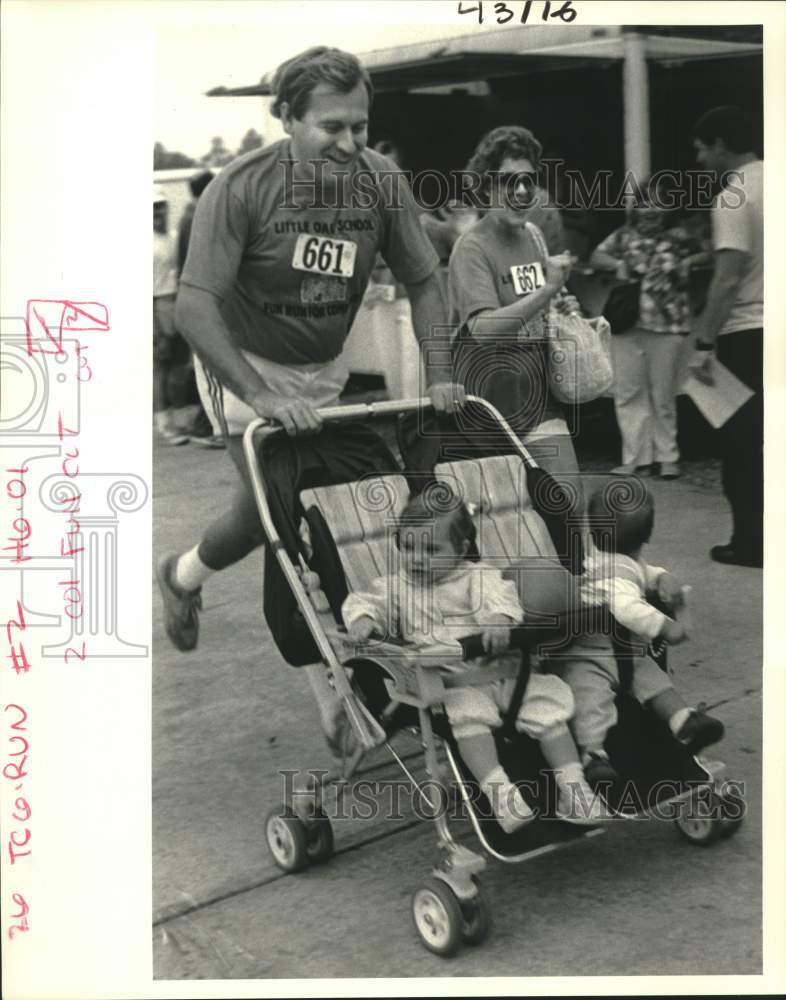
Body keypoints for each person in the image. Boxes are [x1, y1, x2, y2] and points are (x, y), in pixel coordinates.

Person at [158, 46, 464, 746]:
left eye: (359, 125)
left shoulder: (380, 181)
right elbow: (194, 308)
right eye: (332, 127)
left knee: (327, 508)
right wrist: (260, 394)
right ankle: (335, 694)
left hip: (321, 368)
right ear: (288, 118)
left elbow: (425, 279)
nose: (350, 143)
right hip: (243, 362)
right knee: (290, 514)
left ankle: (181, 575)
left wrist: (441, 371)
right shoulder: (239, 188)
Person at [342, 488, 607, 827]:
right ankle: (502, 797)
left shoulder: (477, 576)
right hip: (451, 682)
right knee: (469, 720)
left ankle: (575, 790)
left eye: (430, 549)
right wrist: (363, 620)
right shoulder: (396, 587)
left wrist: (499, 620)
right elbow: (364, 601)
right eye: (407, 547)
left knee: (549, 713)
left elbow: (503, 597)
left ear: (461, 550)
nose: (416, 559)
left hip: (506, 672)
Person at [556, 483, 725, 786]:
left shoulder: (614, 560)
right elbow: (626, 607)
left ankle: (683, 719)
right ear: (647, 536)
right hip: (590, 653)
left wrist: (662, 576)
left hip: (624, 650)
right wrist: (665, 625)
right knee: (592, 700)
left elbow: (642, 573)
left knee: (655, 681)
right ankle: (593, 754)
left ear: (593, 534)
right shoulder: (613, 575)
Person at [447, 126, 582, 486]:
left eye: (529, 180)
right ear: (486, 186)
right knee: (506, 521)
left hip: (535, 397)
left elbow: (540, 304)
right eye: (508, 181)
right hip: (485, 407)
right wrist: (546, 292)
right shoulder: (471, 247)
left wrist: (560, 304)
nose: (521, 191)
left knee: (568, 499)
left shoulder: (534, 236)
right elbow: (482, 328)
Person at [590, 176, 709, 479]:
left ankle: (668, 456)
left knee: (663, 395)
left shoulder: (680, 236)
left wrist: (689, 261)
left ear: (669, 207)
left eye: (659, 202)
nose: (650, 209)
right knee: (629, 393)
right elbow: (596, 255)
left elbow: (710, 253)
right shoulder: (624, 236)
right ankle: (636, 459)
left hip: (667, 326)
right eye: (645, 202)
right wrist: (617, 265)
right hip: (627, 324)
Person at [689, 106, 763, 567]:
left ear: (719, 144)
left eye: (700, 149)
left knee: (741, 442)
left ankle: (751, 542)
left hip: (749, 331)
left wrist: (702, 342)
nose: (698, 160)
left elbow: (729, 277)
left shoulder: (735, 196)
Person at [176, 169, 225, 449]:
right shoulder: (198, 216)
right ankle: (205, 425)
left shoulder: (187, 216)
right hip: (206, 297)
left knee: (209, 363)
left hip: (198, 294)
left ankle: (205, 424)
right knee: (212, 363)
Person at [153, 188, 189, 446]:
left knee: (178, 364)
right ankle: (164, 424)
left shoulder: (172, 236)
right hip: (156, 304)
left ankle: (176, 419)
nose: (158, 212)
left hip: (176, 301)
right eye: (153, 208)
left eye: (161, 206)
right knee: (160, 368)